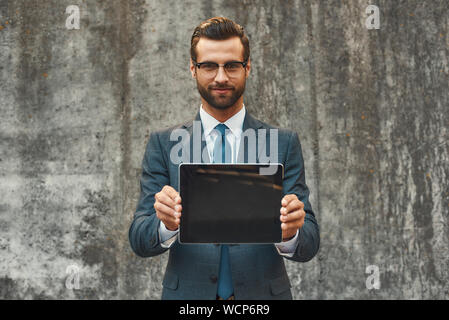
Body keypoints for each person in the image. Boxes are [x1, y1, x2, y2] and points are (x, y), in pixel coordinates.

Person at [129, 17, 320, 300]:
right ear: (193, 69)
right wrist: (165, 225)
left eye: (232, 65)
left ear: (248, 68)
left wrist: (291, 232)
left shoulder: (283, 143)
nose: (220, 77)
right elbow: (139, 240)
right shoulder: (164, 144)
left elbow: (310, 242)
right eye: (209, 65)